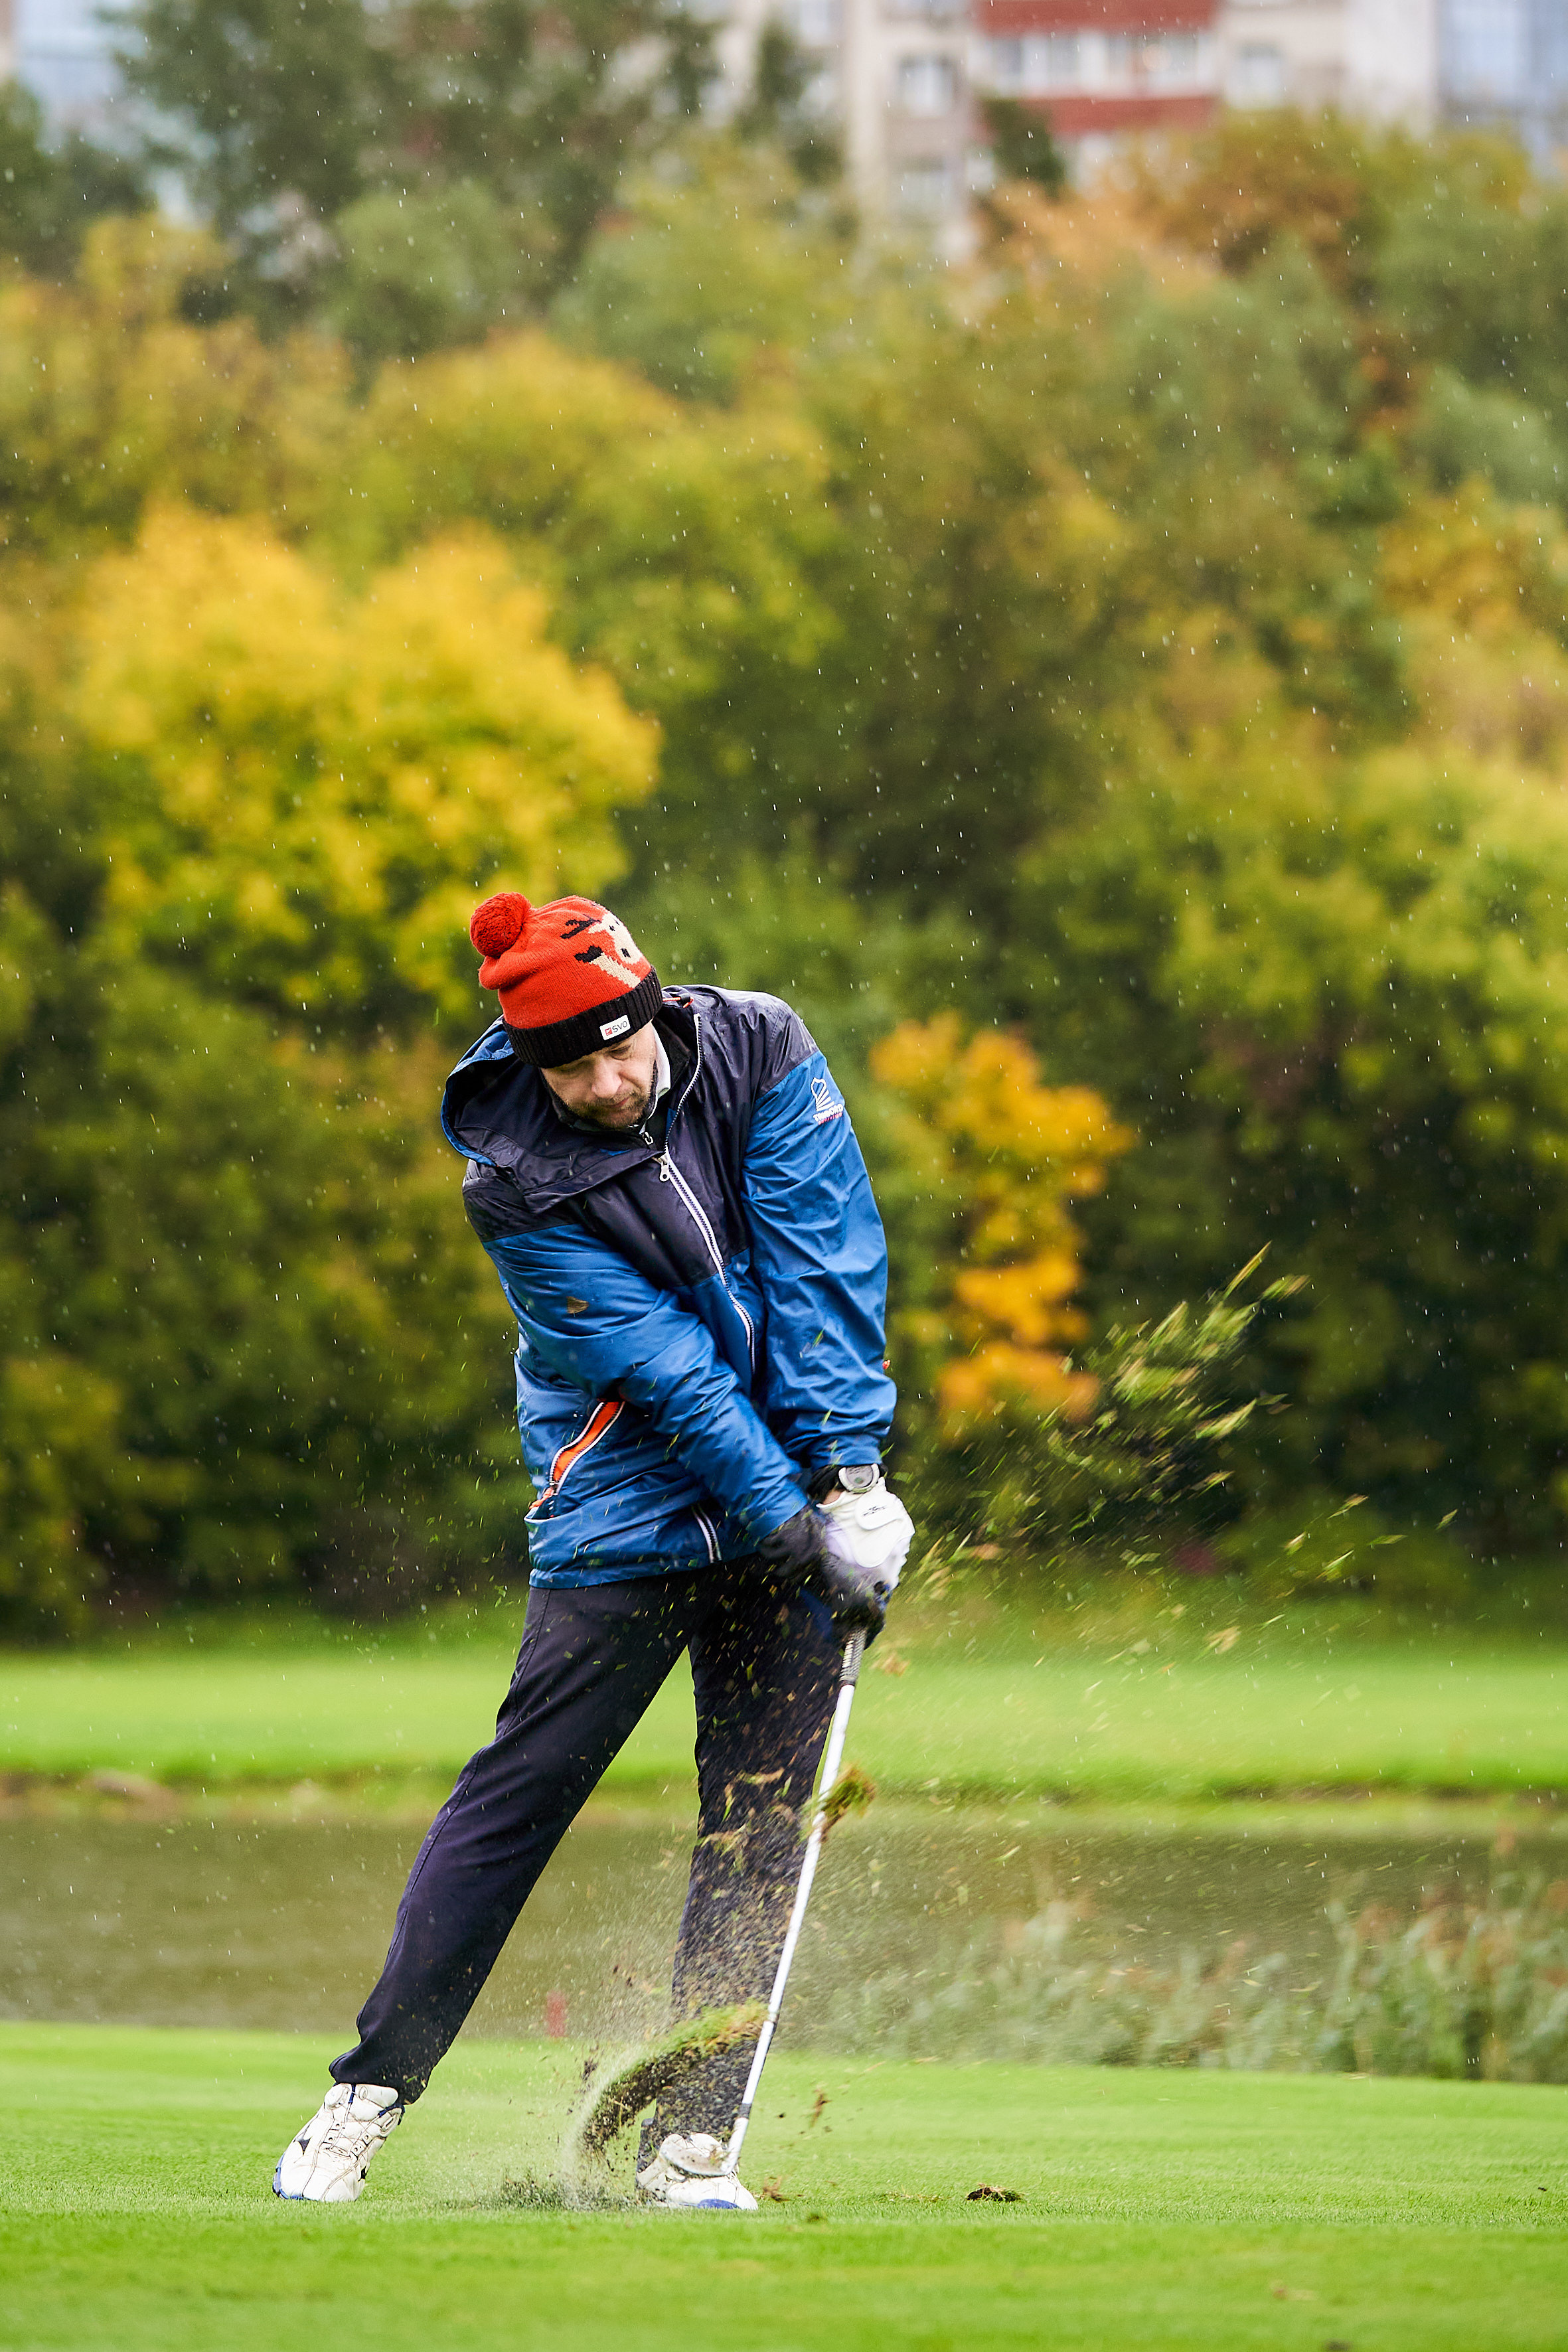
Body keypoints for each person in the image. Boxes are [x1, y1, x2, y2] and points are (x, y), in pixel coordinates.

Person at [274, 890, 912, 2209]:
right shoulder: (511, 1175)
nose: (605, 1083)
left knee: (755, 1826)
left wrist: (849, 1473)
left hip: (790, 1493)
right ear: (529, 1062)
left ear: (656, 1009)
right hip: (621, 1512)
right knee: (517, 1801)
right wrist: (805, 1531)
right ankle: (362, 2100)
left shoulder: (761, 1048)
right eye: (571, 1066)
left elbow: (823, 1265)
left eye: (621, 1051)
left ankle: (692, 2142)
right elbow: (672, 1380)